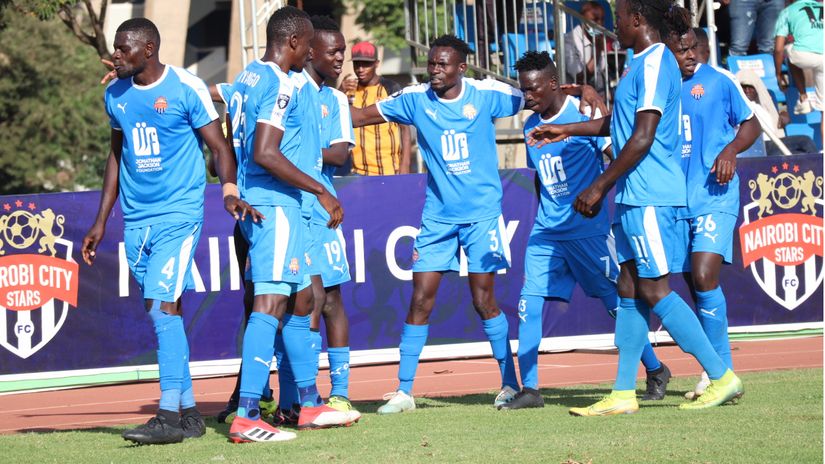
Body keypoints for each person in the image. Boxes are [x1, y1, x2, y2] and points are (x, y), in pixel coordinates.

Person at [530, 0, 743, 416]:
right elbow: (621, 124)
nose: (616, 26)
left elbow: (643, 137)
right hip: (633, 195)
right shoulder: (641, 63)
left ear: (638, 19)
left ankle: (721, 376)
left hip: (648, 194)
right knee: (629, 291)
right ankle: (624, 392)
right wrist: (565, 129)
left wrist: (598, 186)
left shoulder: (652, 63)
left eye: (620, 18)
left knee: (653, 288)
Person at [81, 17, 261, 445]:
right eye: (116, 49)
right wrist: (101, 219)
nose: (117, 55)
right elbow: (115, 156)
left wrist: (228, 191)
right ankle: (188, 411)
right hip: (136, 219)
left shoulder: (186, 87)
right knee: (165, 311)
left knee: (163, 308)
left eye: (124, 48)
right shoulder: (115, 94)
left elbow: (219, 147)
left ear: (149, 49)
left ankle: (165, 417)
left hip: (179, 214)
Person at [349, 35, 523, 413]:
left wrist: (582, 93)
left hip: (482, 217)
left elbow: (538, 96)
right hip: (437, 219)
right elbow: (360, 117)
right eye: (432, 64)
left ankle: (510, 384)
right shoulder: (414, 99)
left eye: (443, 64)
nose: (435, 70)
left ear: (462, 67)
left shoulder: (486, 94)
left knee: (484, 301)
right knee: (420, 299)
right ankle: (404, 391)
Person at [500, 51, 671, 411]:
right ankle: (530, 389)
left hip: (589, 232)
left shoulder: (584, 114)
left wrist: (601, 195)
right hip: (547, 231)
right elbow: (541, 180)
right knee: (529, 303)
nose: (527, 96)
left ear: (551, 84)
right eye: (523, 90)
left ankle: (655, 369)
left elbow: (616, 158)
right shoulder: (529, 124)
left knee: (617, 305)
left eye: (532, 90)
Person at [218, 6, 355, 443]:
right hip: (274, 205)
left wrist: (232, 189)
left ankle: (310, 405)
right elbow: (265, 152)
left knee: (302, 302)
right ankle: (247, 415)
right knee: (270, 305)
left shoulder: (245, 78)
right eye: (308, 44)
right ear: (295, 43)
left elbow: (229, 142)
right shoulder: (278, 81)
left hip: (273, 204)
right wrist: (320, 189)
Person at [271, 14, 361, 424]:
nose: (341, 57)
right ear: (310, 52)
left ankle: (338, 394)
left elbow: (341, 153)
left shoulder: (336, 99)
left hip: (323, 207)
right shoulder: (288, 86)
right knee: (294, 301)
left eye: (342, 50)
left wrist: (295, 154)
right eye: (334, 51)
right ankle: (294, 398)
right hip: (287, 205)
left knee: (329, 300)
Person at [667, 27, 761, 400]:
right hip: (675, 198)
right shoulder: (661, 86)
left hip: (714, 194)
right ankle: (717, 374)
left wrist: (731, 150)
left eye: (693, 49)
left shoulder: (719, 80)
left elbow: (750, 123)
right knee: (694, 285)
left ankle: (721, 372)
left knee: (705, 276)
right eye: (681, 50)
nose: (689, 56)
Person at [340, 41, 412, 176]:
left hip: (389, 171)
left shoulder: (390, 88)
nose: (360, 69)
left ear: (377, 64)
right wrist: (339, 91)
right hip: (357, 172)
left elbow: (405, 129)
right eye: (357, 64)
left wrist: (405, 165)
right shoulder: (349, 90)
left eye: (366, 64)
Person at [738, 69, 819, 155]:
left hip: (776, 142)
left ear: (757, 88)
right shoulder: (738, 107)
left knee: (805, 144)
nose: (747, 90)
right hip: (758, 147)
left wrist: (783, 114)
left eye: (750, 87)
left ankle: (818, 167)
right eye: (743, 87)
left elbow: (777, 120)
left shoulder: (764, 105)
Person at [773, 0, 824, 114]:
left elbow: (778, 49)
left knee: (790, 51)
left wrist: (778, 73)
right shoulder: (822, 6)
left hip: (804, 56)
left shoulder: (787, 11)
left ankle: (803, 97)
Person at [563, 1, 609, 93]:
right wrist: (597, 52)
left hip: (600, 93)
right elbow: (580, 78)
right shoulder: (569, 40)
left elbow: (603, 72)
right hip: (580, 96)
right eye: (595, 20)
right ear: (583, 20)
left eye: (602, 19)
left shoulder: (599, 38)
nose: (599, 24)